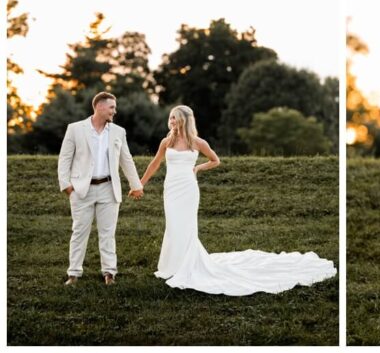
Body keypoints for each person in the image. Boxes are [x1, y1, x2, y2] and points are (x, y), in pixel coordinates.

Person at [137, 105, 336, 295]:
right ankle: (172, 265)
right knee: (172, 225)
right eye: (170, 117)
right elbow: (155, 164)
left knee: (187, 226)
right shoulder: (166, 142)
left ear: (183, 120)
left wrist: (198, 168)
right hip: (171, 189)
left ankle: (188, 265)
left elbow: (215, 160)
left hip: (188, 189)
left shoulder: (197, 142)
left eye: (174, 117)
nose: (170, 120)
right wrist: (140, 184)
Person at [57, 91, 144, 285]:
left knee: (107, 232)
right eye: (112, 107)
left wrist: (135, 184)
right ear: (99, 106)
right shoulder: (75, 129)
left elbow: (126, 159)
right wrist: (67, 186)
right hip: (81, 189)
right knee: (79, 231)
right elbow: (64, 158)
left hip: (108, 188)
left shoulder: (118, 132)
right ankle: (74, 274)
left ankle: (109, 273)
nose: (115, 110)